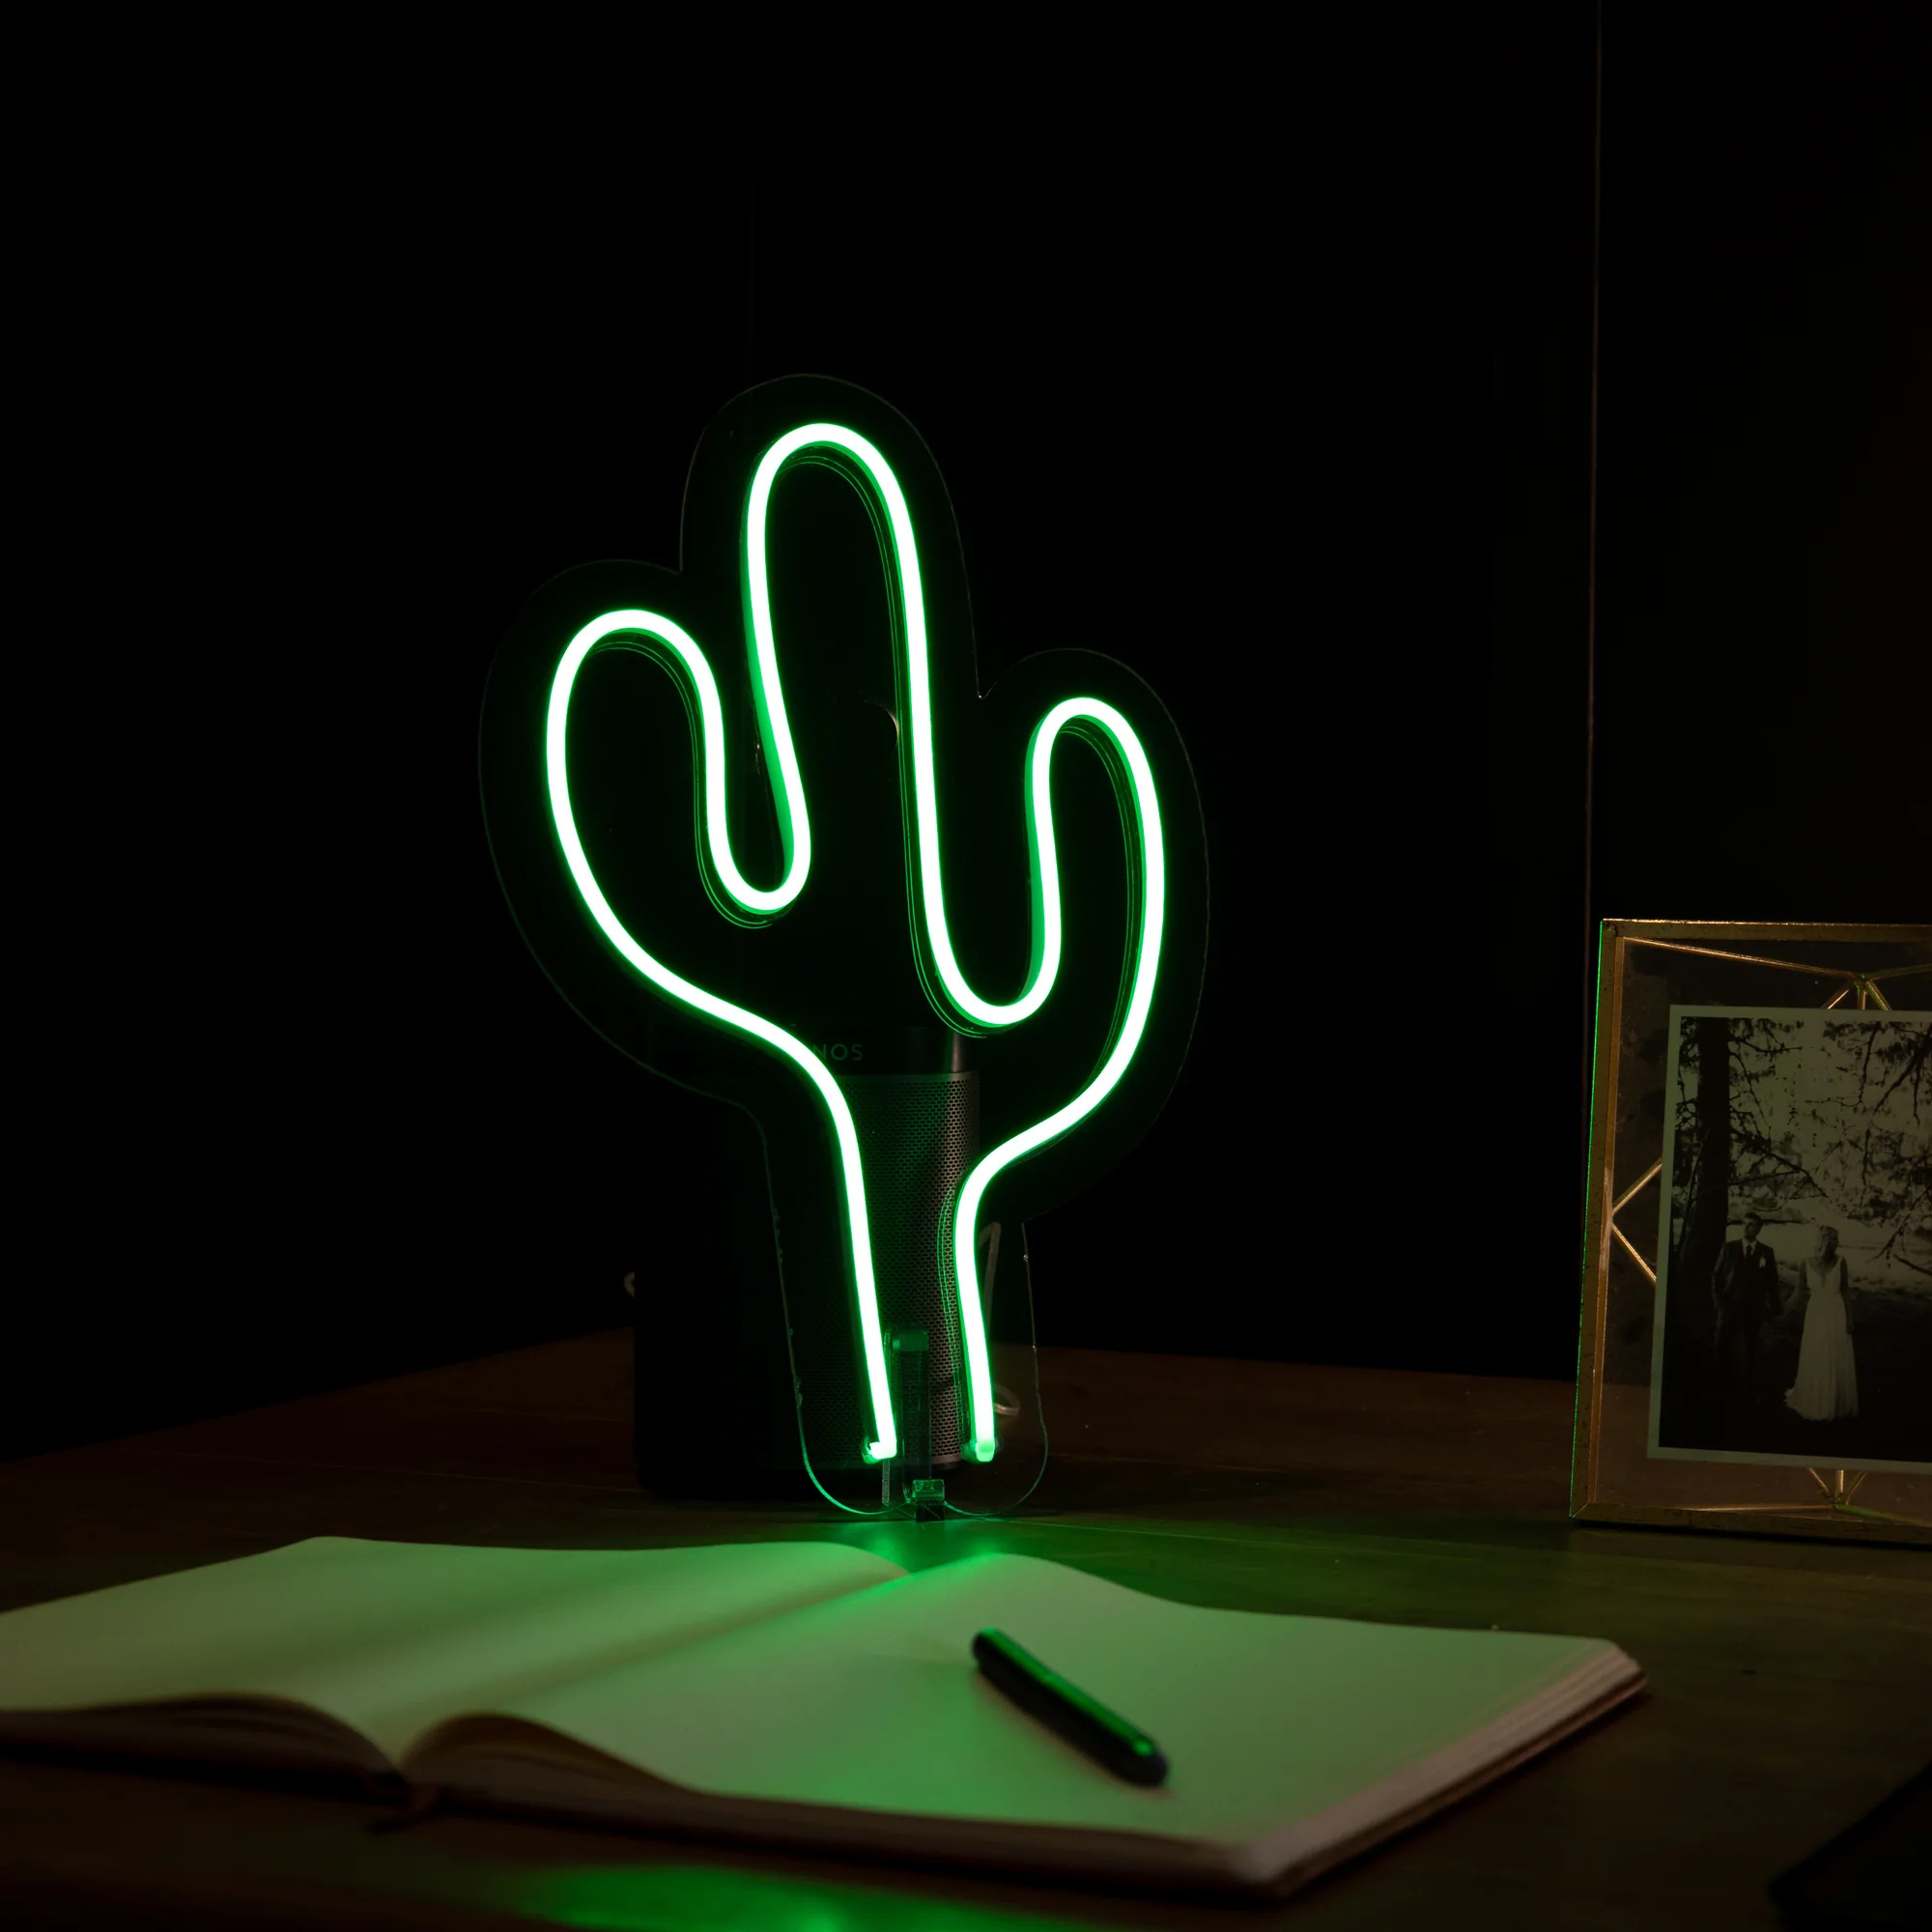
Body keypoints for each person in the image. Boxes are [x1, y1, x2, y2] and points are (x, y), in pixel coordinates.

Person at [1783, 1226, 1859, 1423]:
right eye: (1834, 1239)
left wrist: (1849, 1319)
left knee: (1835, 1354)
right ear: (1824, 1240)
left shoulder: (1841, 1262)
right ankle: (1815, 1400)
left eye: (1837, 1239)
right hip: (1816, 1314)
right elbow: (1798, 1293)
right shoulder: (1806, 1262)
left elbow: (1846, 1292)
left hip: (1836, 1312)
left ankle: (1835, 1403)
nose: (1837, 1243)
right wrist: (1782, 1312)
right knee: (1817, 1353)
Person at [1711, 1213, 1780, 1391]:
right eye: (1745, 1224)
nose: (1747, 1228)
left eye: (1752, 1225)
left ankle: (1748, 1387)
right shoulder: (1729, 1248)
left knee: (1751, 1348)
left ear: (1758, 1229)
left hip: (1754, 1309)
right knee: (1722, 1345)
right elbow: (1717, 1276)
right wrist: (1719, 1302)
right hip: (1729, 1305)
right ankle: (1721, 1383)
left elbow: (1772, 1282)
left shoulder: (1766, 1252)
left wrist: (1775, 1309)